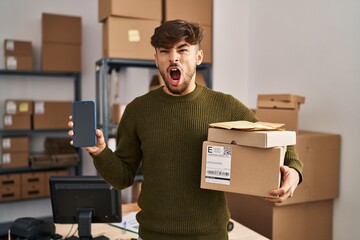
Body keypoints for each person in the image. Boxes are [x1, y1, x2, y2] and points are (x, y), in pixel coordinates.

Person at [68, 19, 303, 240]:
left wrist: (293, 170)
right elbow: (122, 178)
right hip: (153, 234)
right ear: (156, 59)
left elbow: (274, 138)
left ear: (198, 56)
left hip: (210, 235)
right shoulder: (138, 110)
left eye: (182, 49)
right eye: (164, 51)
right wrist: (100, 152)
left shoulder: (225, 105)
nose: (174, 58)